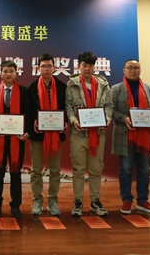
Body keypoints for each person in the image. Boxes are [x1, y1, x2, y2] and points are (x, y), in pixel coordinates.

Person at [111, 59, 150, 215]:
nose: (133, 70)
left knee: (144, 170)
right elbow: (110, 110)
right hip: (125, 136)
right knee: (125, 170)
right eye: (130, 68)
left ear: (140, 70)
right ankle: (126, 200)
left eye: (136, 68)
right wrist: (123, 118)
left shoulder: (148, 88)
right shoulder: (116, 89)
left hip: (145, 136)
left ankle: (143, 200)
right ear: (124, 70)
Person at [66, 51, 113, 217]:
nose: (87, 68)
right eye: (84, 65)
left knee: (96, 169)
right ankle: (78, 202)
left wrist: (107, 119)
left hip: (98, 133)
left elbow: (109, 105)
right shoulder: (71, 84)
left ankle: (95, 201)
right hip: (78, 134)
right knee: (78, 170)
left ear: (95, 67)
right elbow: (68, 107)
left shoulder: (103, 84)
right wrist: (73, 120)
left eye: (90, 65)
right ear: (78, 66)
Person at [27, 53, 67, 217]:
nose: (46, 69)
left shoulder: (62, 87)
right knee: (36, 170)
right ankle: (37, 200)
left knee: (55, 170)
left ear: (54, 68)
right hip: (38, 134)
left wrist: (65, 121)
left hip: (56, 134)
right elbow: (28, 110)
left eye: (49, 66)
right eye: (43, 66)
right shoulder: (31, 88)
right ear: (38, 68)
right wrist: (34, 121)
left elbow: (66, 108)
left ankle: (52, 201)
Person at [0, 60, 31, 219]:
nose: (8, 74)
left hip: (17, 139)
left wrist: (27, 132)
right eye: (5, 71)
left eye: (11, 71)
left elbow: (29, 113)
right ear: (0, 73)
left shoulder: (24, 91)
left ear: (16, 73)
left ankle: (16, 205)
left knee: (15, 173)